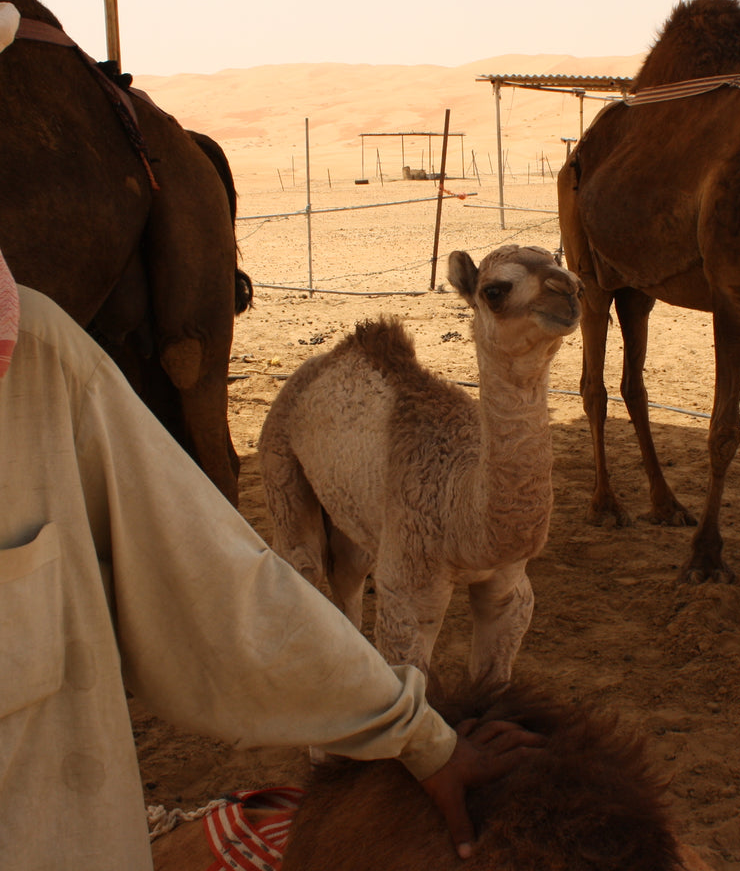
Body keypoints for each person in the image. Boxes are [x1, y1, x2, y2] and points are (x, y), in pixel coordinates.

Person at [0, 250, 541, 871]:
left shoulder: (42, 363)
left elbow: (218, 589)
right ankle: (337, 771)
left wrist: (428, 742)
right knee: (316, 584)